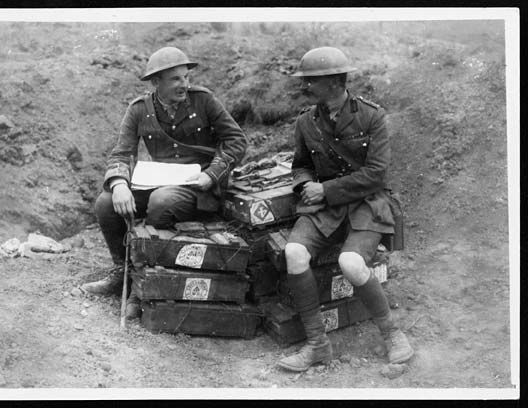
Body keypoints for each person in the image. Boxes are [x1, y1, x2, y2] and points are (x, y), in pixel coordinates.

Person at [82, 47, 247, 319]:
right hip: (159, 182)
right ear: (156, 82)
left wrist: (212, 174)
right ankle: (122, 272)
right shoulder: (139, 110)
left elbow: (237, 141)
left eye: (185, 77)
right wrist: (120, 184)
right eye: (175, 79)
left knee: (161, 202)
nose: (185, 84)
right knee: (106, 203)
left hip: (198, 187)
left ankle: (142, 283)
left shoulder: (204, 101)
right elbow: (122, 151)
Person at [277, 46, 413, 372]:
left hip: (367, 203)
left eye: (312, 81)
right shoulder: (306, 121)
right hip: (324, 207)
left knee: (350, 263)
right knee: (294, 253)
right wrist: (305, 186)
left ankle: (392, 334)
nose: (306, 87)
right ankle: (317, 345)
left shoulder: (372, 116)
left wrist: (325, 189)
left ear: (334, 82)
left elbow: (376, 173)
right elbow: (301, 166)